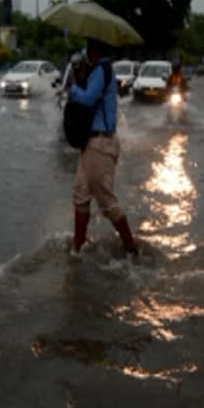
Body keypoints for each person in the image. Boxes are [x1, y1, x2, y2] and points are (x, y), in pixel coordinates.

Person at [67, 38, 138, 256]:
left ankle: (133, 251)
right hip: (92, 142)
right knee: (80, 194)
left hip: (101, 143)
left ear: (93, 50)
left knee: (106, 202)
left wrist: (73, 89)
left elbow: (88, 99)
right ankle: (77, 249)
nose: (84, 54)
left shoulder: (101, 70)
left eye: (86, 49)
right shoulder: (98, 70)